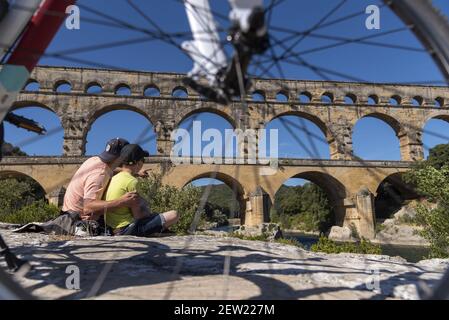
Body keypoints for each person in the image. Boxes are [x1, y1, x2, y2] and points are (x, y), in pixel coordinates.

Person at [104, 144, 179, 237]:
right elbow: (138, 216)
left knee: (153, 215)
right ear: (139, 163)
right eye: (143, 160)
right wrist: (149, 213)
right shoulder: (132, 181)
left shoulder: (114, 178)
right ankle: (156, 230)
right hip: (128, 229)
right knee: (173, 214)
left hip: (112, 228)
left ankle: (157, 229)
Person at [62, 137, 140, 222]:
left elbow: (111, 170)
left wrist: (134, 172)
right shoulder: (100, 174)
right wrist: (121, 201)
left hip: (67, 214)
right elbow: (88, 207)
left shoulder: (94, 160)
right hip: (77, 221)